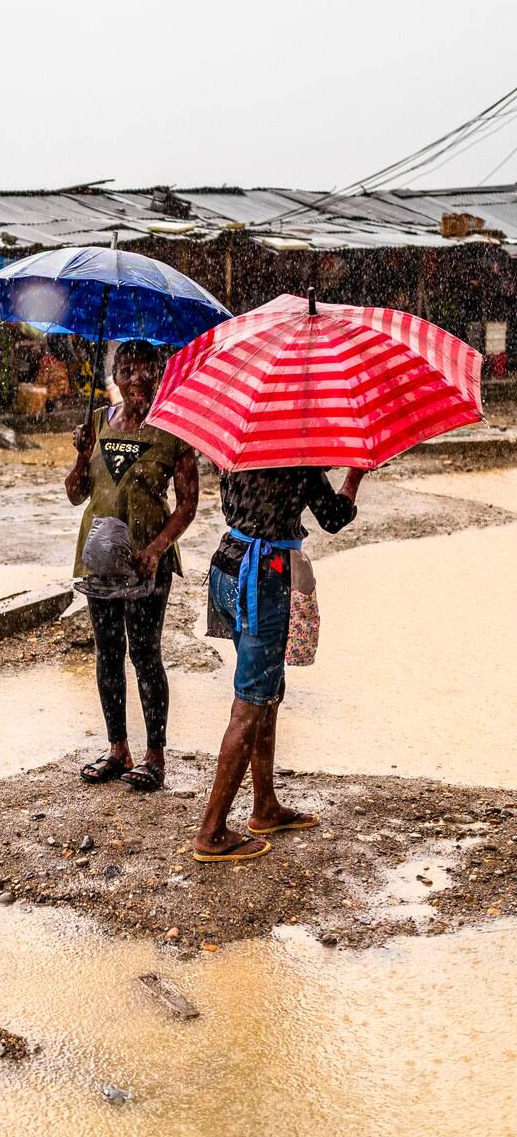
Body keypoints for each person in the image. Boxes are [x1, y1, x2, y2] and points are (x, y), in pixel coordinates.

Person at [192, 465, 366, 861]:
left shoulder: (238, 451)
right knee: (251, 702)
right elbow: (333, 518)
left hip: (227, 565)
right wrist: (355, 476)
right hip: (262, 576)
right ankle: (212, 831)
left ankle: (265, 805)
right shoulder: (298, 460)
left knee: (268, 690)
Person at [65, 340, 199, 791]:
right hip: (99, 559)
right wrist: (83, 454)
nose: (137, 376)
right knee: (107, 653)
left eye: (146, 368)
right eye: (128, 368)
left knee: (144, 653)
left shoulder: (172, 431)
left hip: (147, 562)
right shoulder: (98, 424)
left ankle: (154, 755)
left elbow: (188, 504)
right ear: (116, 377)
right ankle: (117, 749)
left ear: (159, 374)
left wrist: (158, 548)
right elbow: (75, 494)